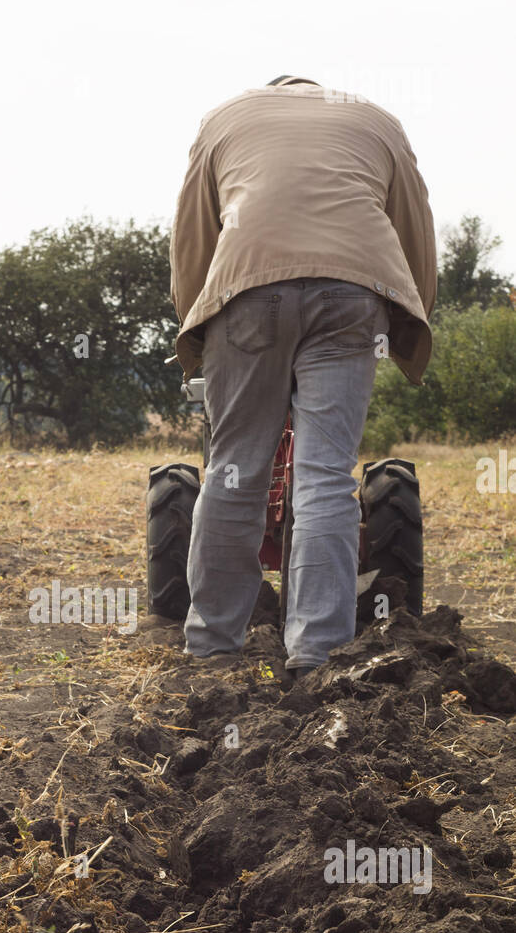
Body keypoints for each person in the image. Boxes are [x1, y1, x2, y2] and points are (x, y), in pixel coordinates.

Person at [169, 75, 436, 675]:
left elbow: (193, 237)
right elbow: (414, 230)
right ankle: (316, 654)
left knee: (234, 468)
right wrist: (413, 313)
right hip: (352, 295)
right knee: (324, 476)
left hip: (246, 285)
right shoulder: (378, 120)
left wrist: (197, 321)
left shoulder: (223, 120)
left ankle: (212, 646)